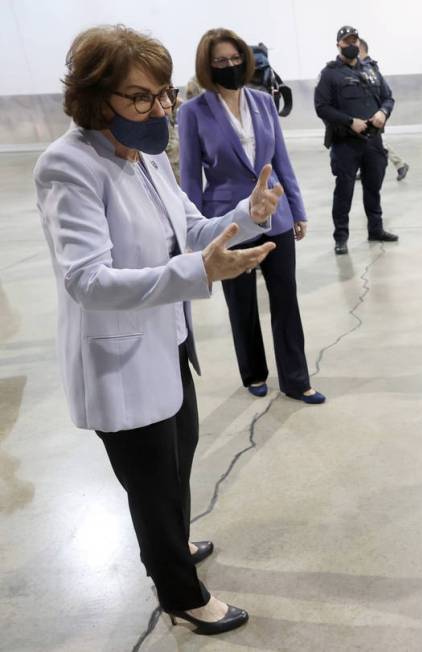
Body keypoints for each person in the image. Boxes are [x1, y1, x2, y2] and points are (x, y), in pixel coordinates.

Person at [35, 25, 286, 634]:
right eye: (141, 98)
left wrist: (244, 218)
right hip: (119, 358)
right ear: (97, 99)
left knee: (177, 464)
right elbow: (87, 280)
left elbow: (192, 229)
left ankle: (171, 542)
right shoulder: (68, 168)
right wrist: (198, 271)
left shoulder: (146, 156)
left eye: (163, 94)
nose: (160, 109)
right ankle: (180, 593)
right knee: (150, 485)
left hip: (168, 343)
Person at [179, 28, 324, 405]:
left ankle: (296, 379)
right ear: (208, 67)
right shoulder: (192, 112)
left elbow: (282, 161)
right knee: (241, 304)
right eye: (220, 62)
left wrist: (298, 209)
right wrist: (193, 234)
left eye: (235, 59)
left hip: (275, 215)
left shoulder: (263, 102)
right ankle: (254, 372)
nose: (230, 66)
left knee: (285, 300)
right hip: (227, 219)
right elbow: (191, 177)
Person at [314, 25, 399, 256]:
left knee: (374, 187)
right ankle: (340, 237)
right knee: (344, 191)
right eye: (346, 41)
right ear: (338, 45)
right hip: (345, 144)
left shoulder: (371, 70)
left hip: (373, 142)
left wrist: (383, 113)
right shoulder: (330, 73)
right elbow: (321, 107)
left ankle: (376, 229)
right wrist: (349, 121)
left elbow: (388, 97)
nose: (351, 45)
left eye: (354, 41)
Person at [358, 38, 409, 182]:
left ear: (361, 49)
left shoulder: (368, 67)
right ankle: (364, 169)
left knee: (376, 142)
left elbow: (380, 93)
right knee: (367, 142)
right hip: (372, 112)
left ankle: (401, 164)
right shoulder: (367, 66)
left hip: (374, 113)